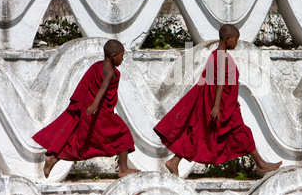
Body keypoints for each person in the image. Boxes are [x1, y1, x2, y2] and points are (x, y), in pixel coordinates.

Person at [154, 24, 282, 176]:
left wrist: (232, 100)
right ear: (227, 39)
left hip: (224, 102)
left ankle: (174, 161)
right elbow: (220, 81)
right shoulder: (222, 57)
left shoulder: (217, 53)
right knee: (241, 131)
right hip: (219, 103)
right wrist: (216, 106)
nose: (236, 43)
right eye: (235, 40)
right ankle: (261, 164)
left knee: (199, 131)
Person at [33, 39, 139, 179]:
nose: (122, 59)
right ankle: (123, 169)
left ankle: (53, 158)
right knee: (123, 134)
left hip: (90, 112)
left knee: (80, 143)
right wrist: (95, 103)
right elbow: (103, 87)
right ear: (113, 55)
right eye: (121, 55)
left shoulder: (98, 66)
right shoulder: (109, 72)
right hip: (101, 113)